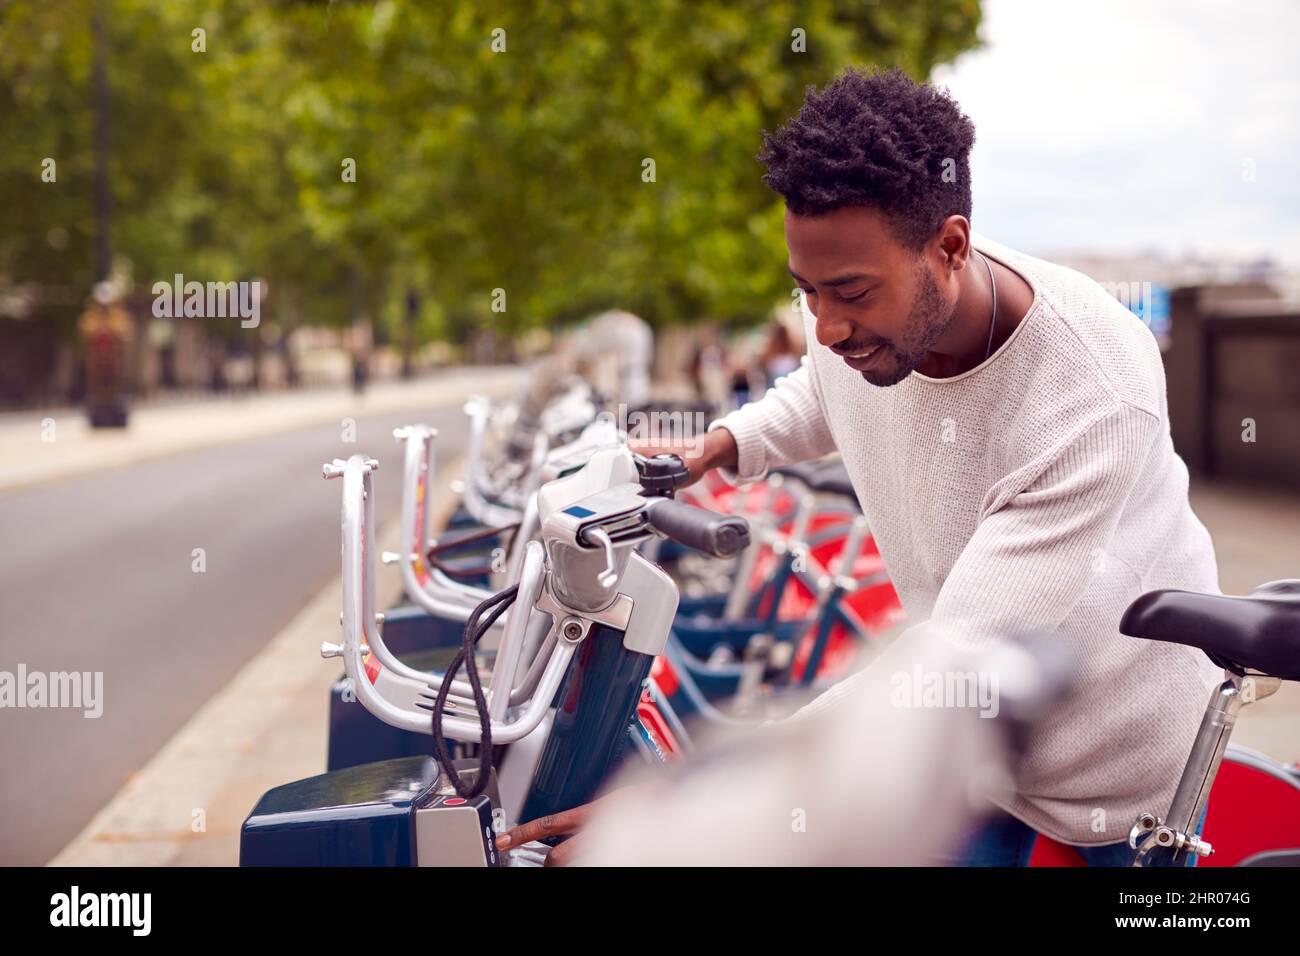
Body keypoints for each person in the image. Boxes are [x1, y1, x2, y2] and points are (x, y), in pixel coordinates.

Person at [499, 66, 1220, 866]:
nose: (828, 324)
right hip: (973, 745)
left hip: (1109, 764)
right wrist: (722, 446)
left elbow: (952, 656)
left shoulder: (1091, 394)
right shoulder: (860, 297)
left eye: (848, 293)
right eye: (806, 292)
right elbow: (824, 388)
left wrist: (692, 804)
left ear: (949, 246)